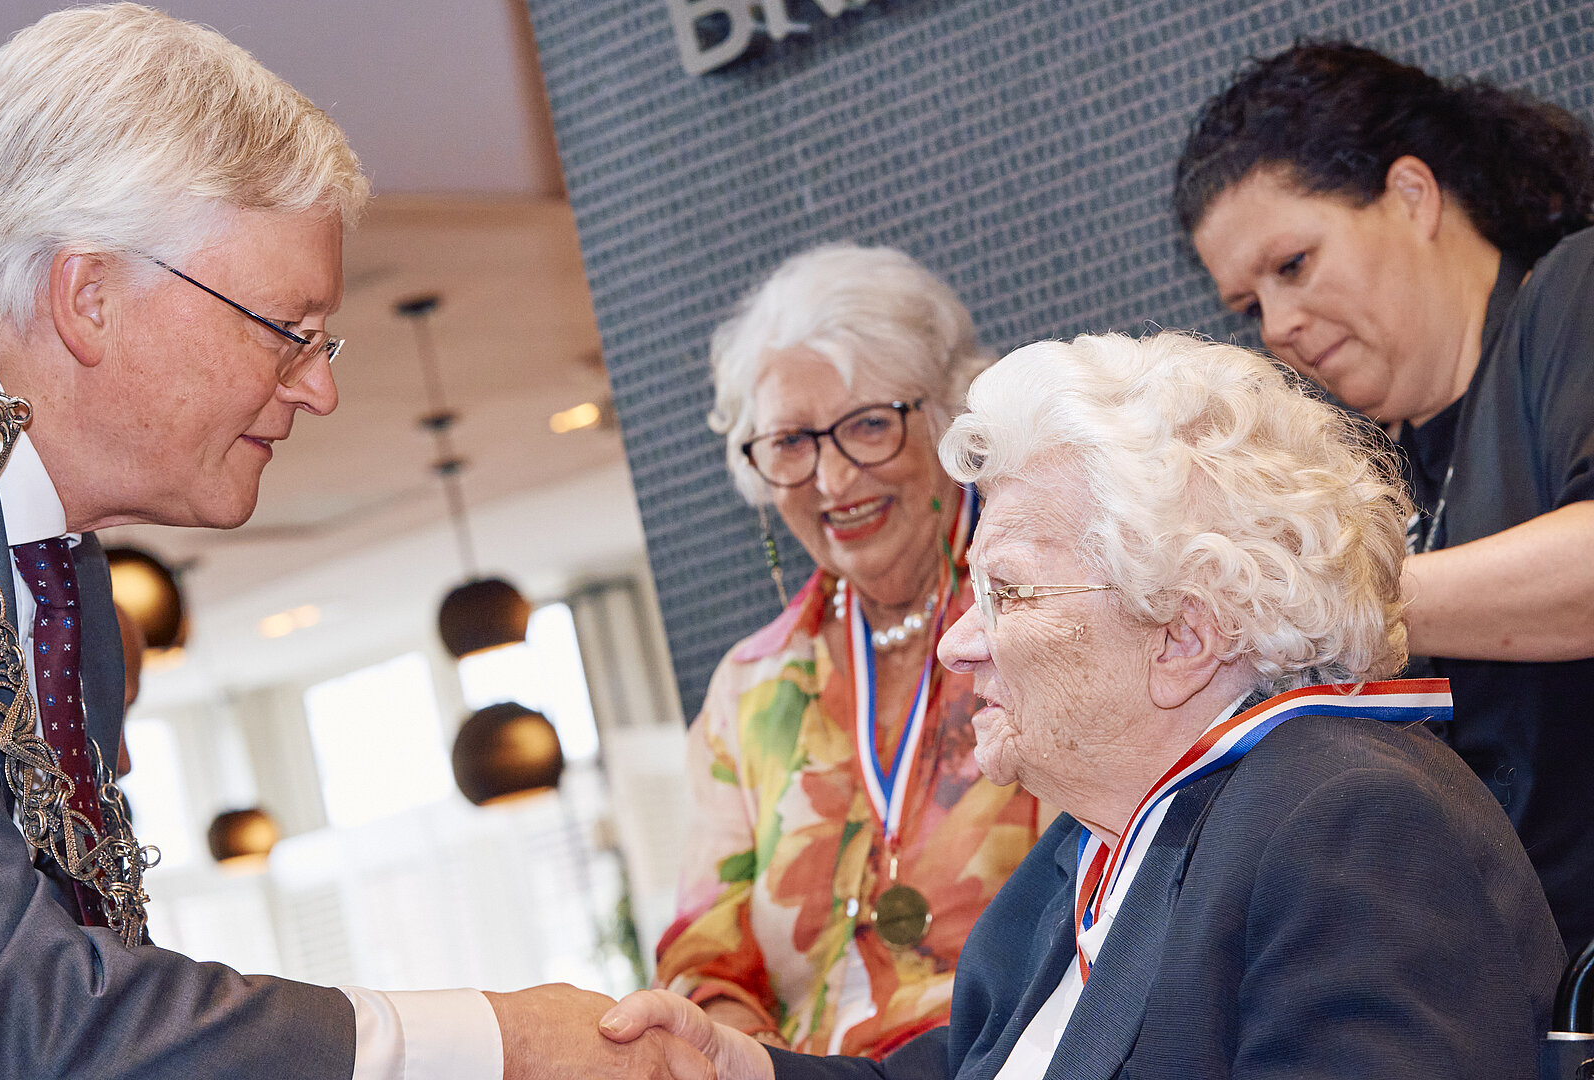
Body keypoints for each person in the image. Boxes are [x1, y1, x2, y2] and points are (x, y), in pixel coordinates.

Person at [0, 7, 708, 1080]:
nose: (320, 385)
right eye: (286, 331)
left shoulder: (58, 568)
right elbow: (26, 1010)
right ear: (91, 296)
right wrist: (501, 1043)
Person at [601, 331, 1565, 1079]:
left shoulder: (1351, 824)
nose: (956, 643)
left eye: (1008, 593)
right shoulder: (1086, 853)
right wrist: (756, 1068)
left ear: (1185, 635)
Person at [1173, 41, 1594, 957]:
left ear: (1412, 194)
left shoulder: (1573, 293)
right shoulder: (1362, 472)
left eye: (1294, 264)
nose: (1277, 327)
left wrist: (1327, 600)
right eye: (1248, 307)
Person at [658, 244, 1040, 1058]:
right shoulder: (750, 690)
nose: (832, 480)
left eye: (868, 425)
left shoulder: (1044, 608)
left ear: (946, 417)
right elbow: (703, 960)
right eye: (792, 442)